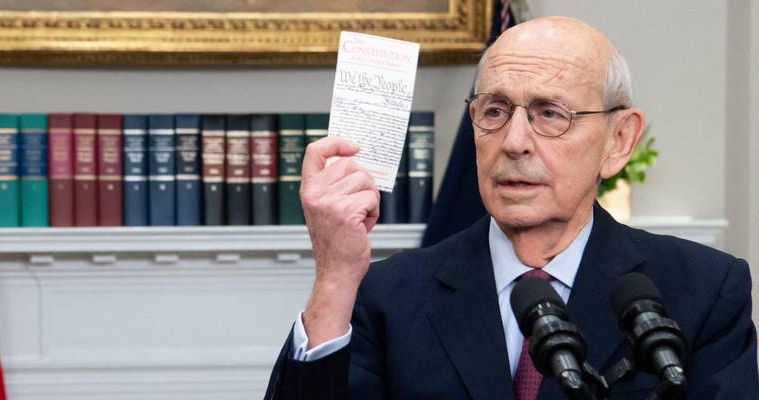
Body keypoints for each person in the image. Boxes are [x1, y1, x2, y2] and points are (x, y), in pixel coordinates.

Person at [265, 16, 758, 399]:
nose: (514, 141)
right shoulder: (390, 294)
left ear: (619, 140)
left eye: (550, 113)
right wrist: (334, 277)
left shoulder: (703, 289)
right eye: (495, 111)